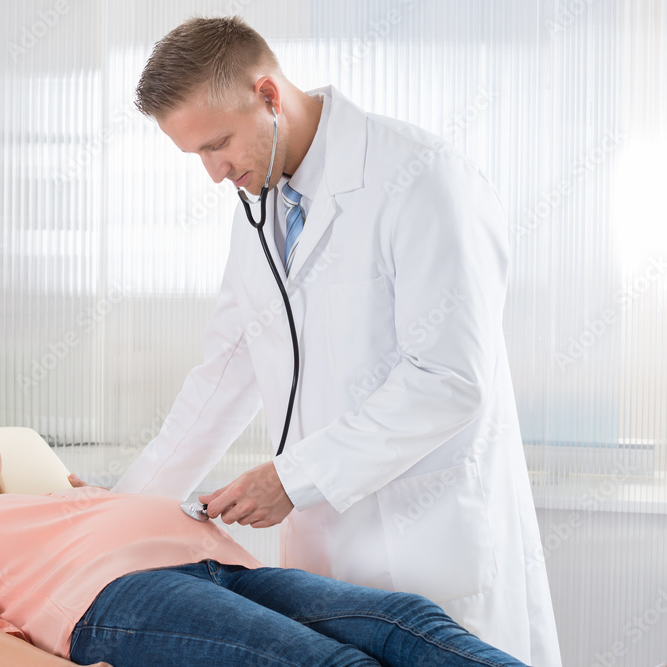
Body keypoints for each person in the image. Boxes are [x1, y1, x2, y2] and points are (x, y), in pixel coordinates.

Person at [107, 16, 561, 666]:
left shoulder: (421, 178)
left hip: (430, 540)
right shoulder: (258, 208)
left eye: (218, 144)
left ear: (268, 95)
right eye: (197, 156)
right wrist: (118, 509)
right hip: (326, 557)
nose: (214, 174)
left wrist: (295, 477)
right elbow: (223, 375)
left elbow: (449, 377)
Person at [0, 382, 529, 667]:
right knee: (330, 664)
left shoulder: (64, 494)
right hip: (120, 600)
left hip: (231, 569)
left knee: (407, 622)